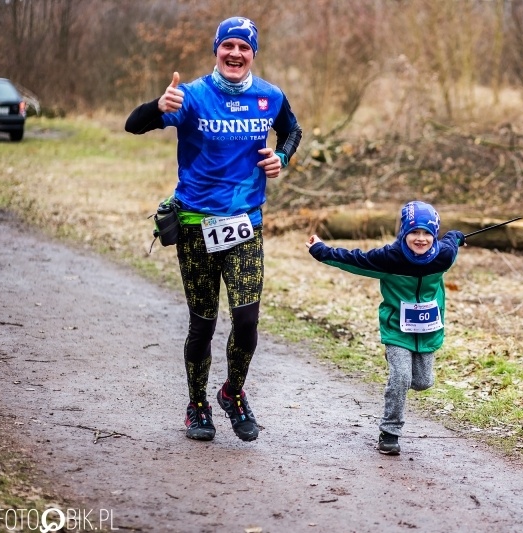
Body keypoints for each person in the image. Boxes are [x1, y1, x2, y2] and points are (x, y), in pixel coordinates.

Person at [124, 16, 302, 442]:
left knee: (246, 321)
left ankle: (232, 393)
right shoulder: (191, 96)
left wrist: (284, 158)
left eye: (244, 47)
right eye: (228, 46)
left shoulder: (270, 96)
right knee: (202, 322)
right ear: (217, 50)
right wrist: (158, 107)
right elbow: (133, 124)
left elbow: (292, 129)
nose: (235, 54)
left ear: (253, 53)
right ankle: (197, 405)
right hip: (195, 225)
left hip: (246, 224)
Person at [306, 201, 464, 455]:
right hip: (396, 329)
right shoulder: (390, 258)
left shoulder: (444, 256)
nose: (421, 239)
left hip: (428, 329)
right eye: (414, 232)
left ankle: (399, 379)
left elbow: (451, 241)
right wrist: (321, 250)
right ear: (403, 232)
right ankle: (390, 432)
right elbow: (354, 259)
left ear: (434, 235)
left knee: (423, 382)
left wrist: (456, 236)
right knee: (401, 377)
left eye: (427, 233)